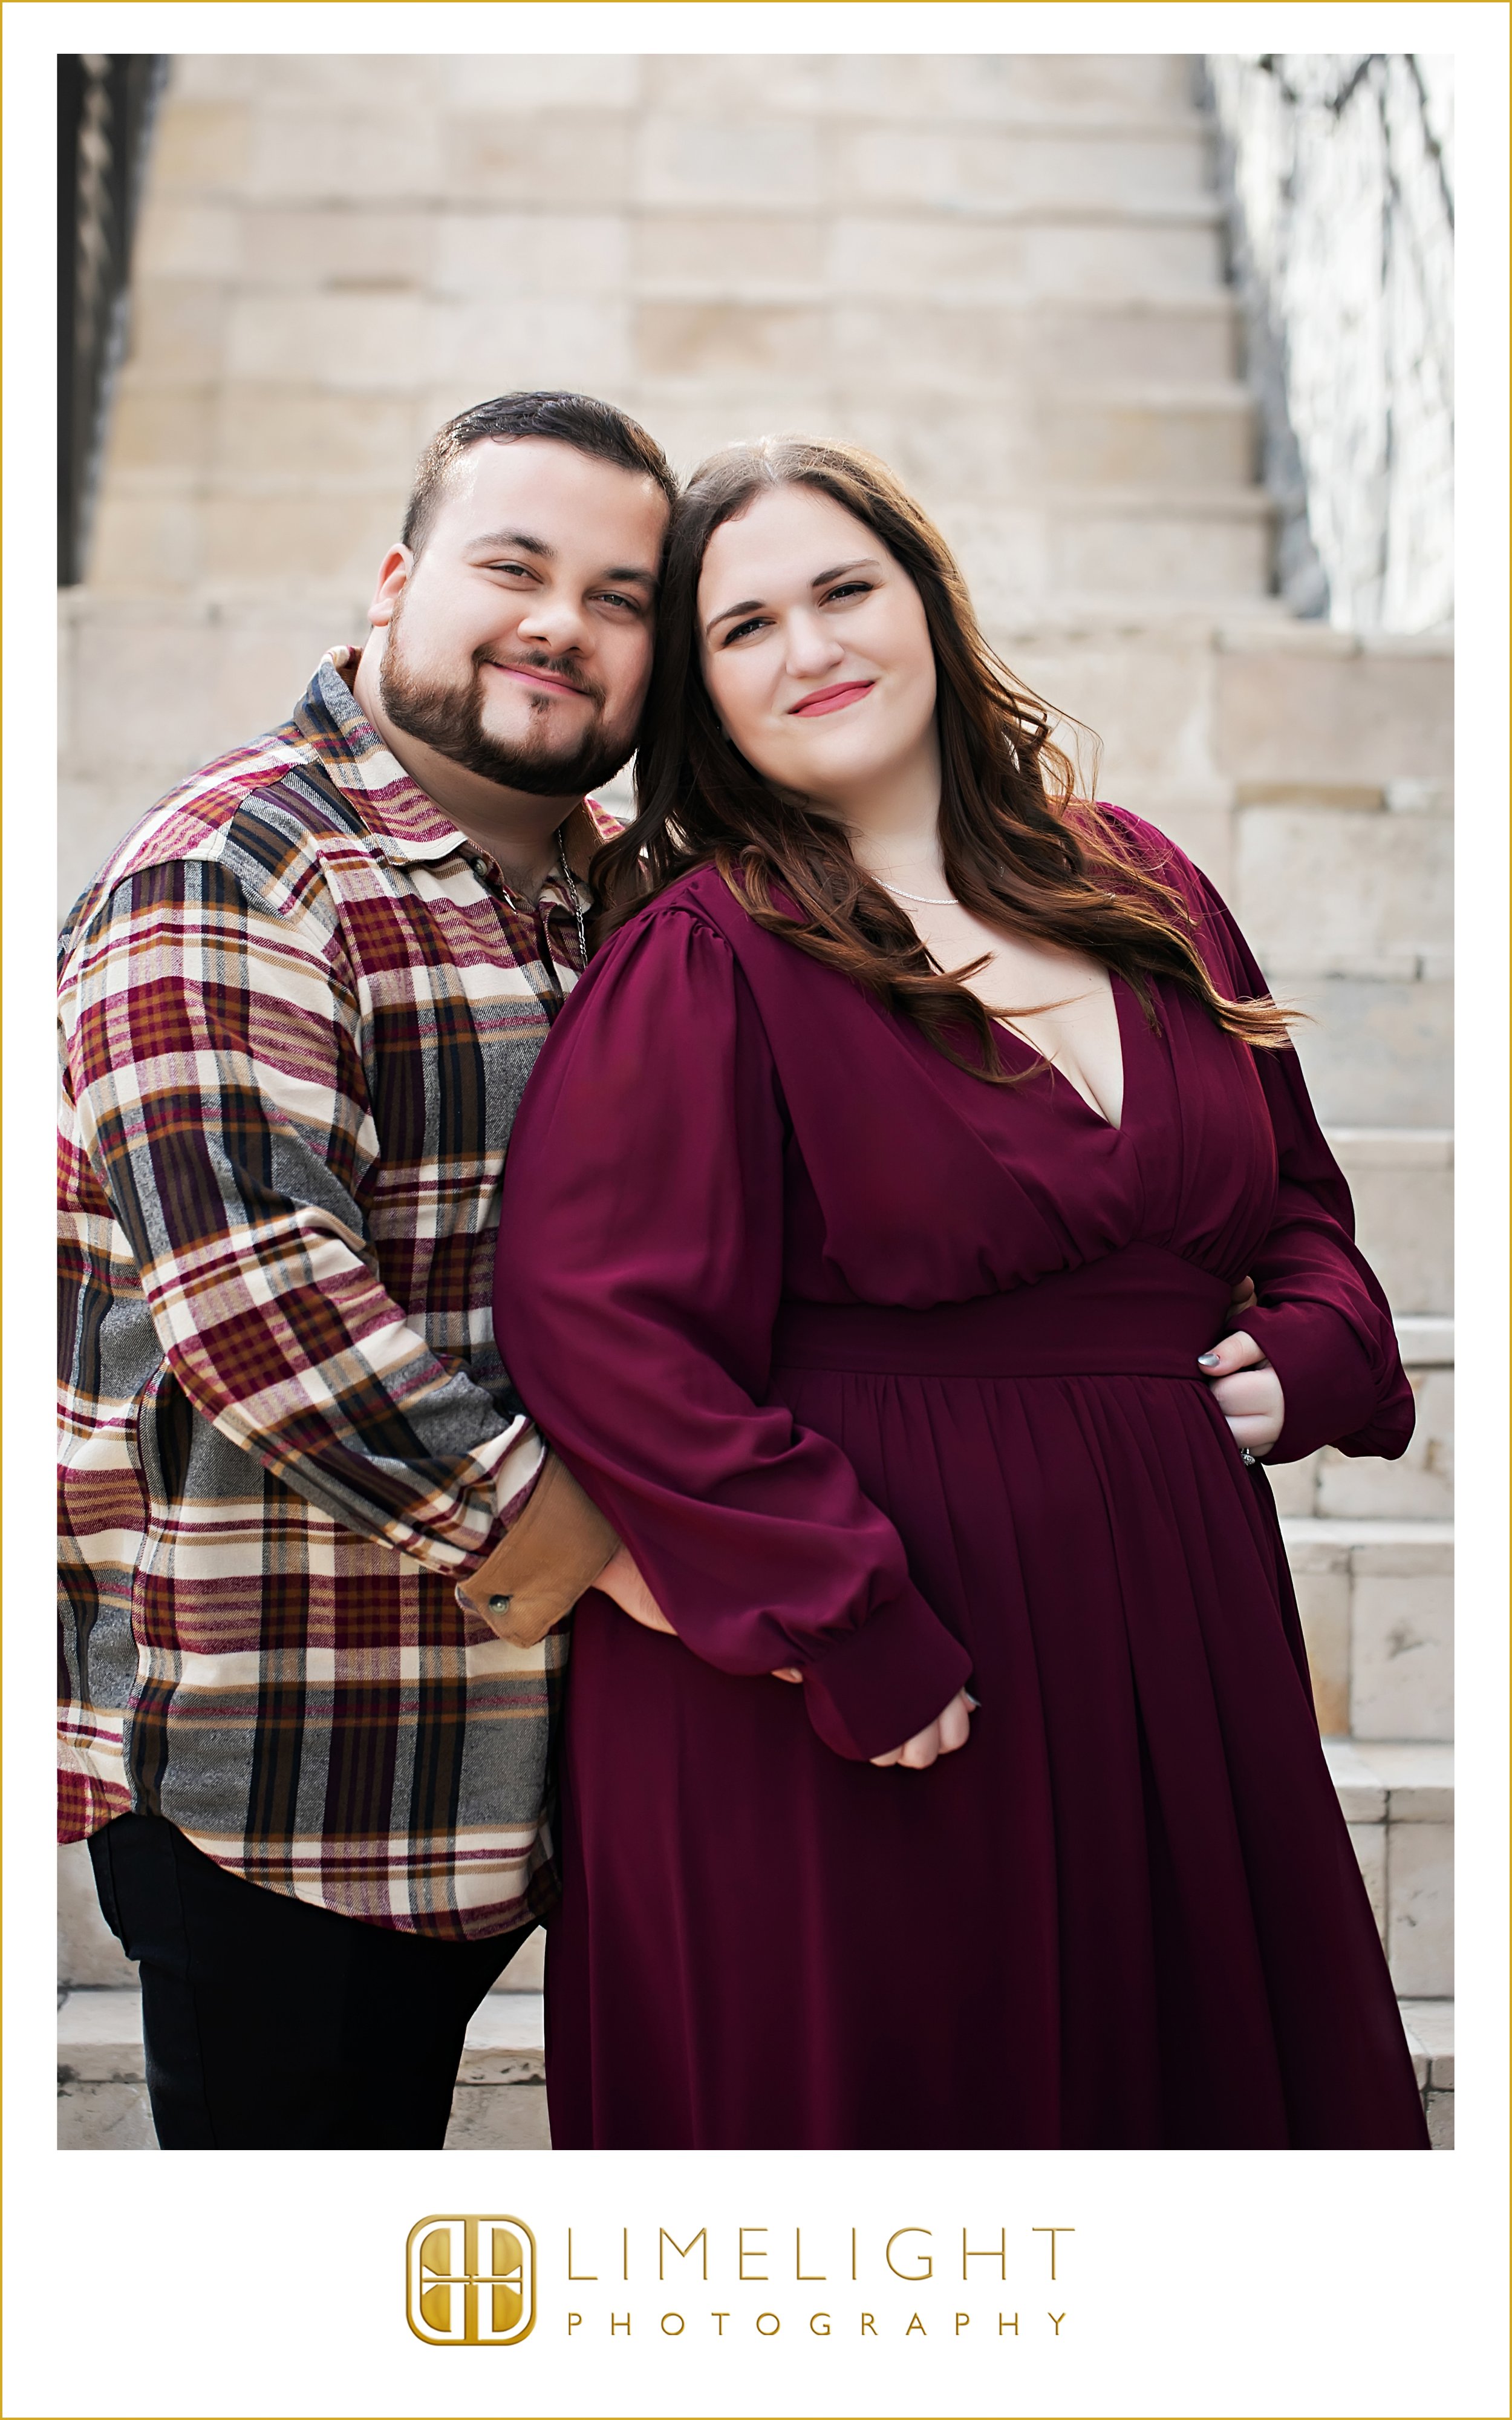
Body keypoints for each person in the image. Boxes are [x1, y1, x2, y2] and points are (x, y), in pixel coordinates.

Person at [494, 436, 1432, 2151]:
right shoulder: (711, 951)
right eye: (745, 624)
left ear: (924, 600)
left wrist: (1318, 1351)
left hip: (1173, 1616)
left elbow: (1292, 1203)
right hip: (880, 1654)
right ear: (700, 692)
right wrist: (840, 1618)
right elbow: (598, 1324)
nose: (811, 647)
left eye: (844, 589)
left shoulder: (1135, 879)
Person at [57, 391, 673, 2148]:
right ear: (396, 582)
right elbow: (267, 1310)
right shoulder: (233, 862)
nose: (562, 622)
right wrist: (657, 1557)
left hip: (579, 1755)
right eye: (512, 564)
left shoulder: (631, 894)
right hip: (304, 1765)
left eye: (620, 597)